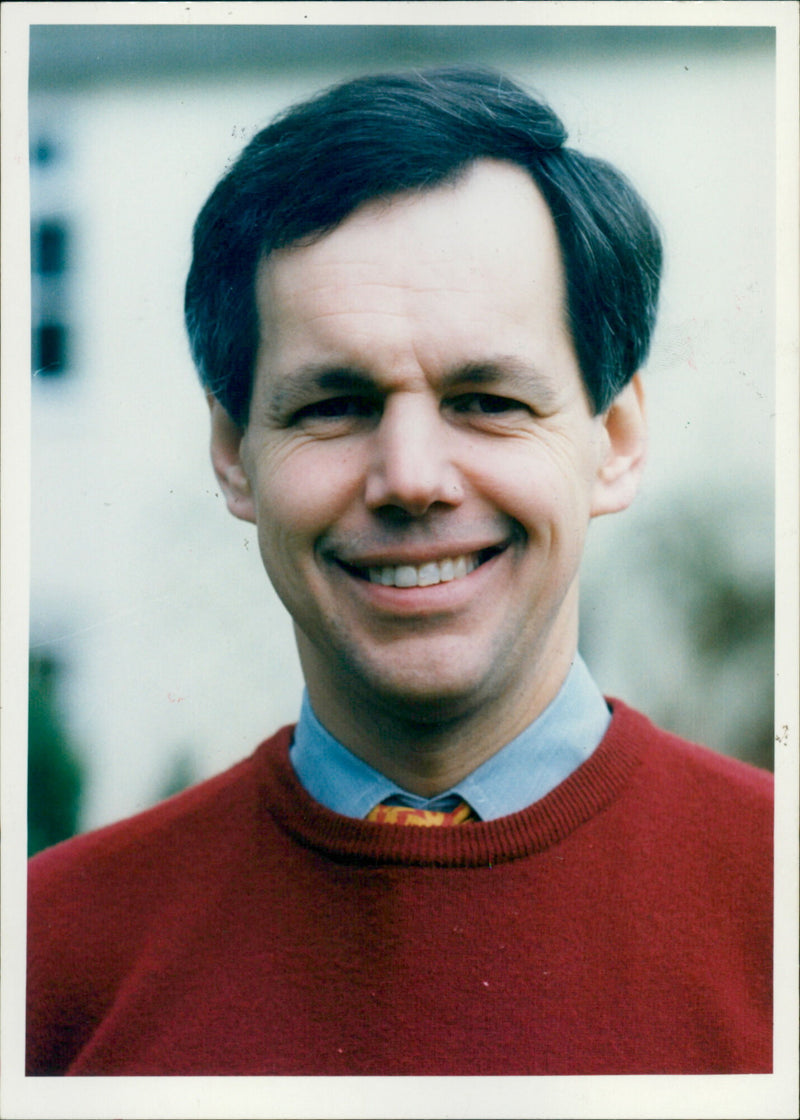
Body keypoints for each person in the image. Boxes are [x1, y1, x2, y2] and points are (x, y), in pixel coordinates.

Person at [27, 67, 772, 1076]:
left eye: (486, 398)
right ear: (231, 450)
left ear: (615, 439)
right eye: (332, 404)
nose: (411, 478)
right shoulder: (46, 953)